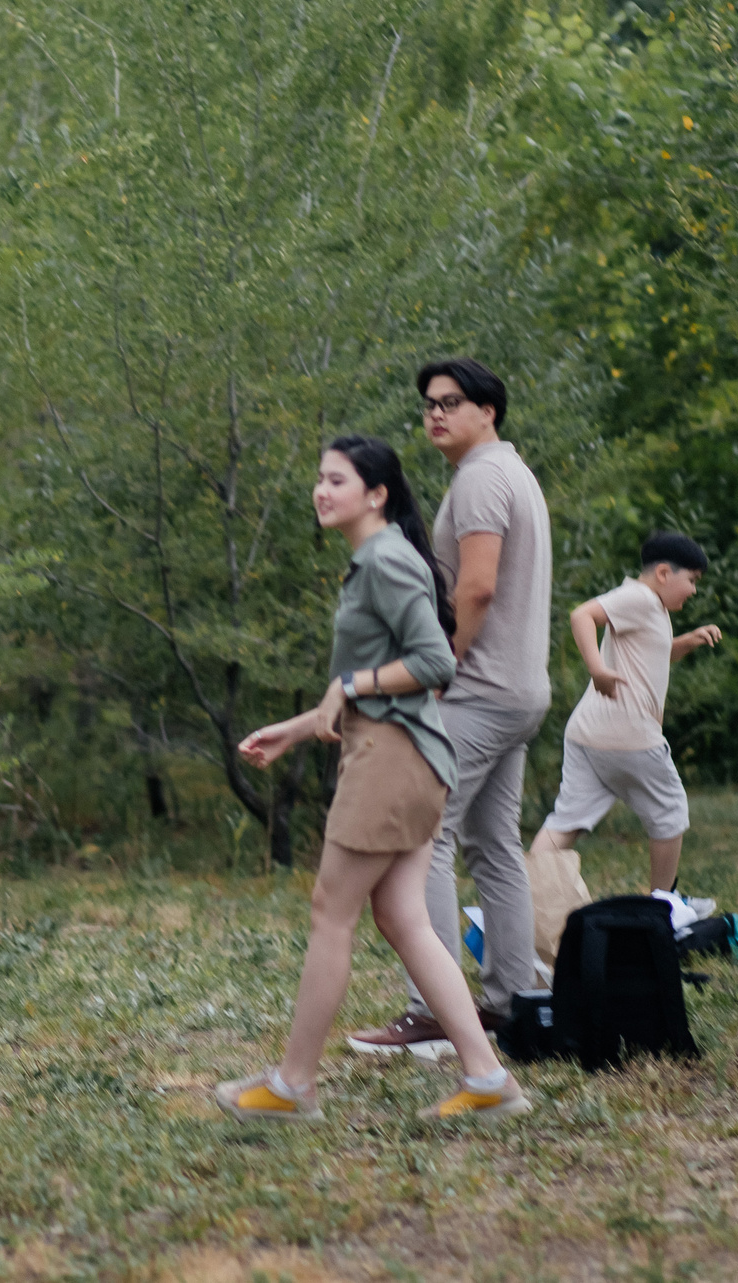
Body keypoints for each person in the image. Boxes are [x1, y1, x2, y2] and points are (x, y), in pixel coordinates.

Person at [217, 435, 531, 1123]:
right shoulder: (376, 559)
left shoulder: (387, 559)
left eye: (336, 479)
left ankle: (294, 1086)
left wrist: (348, 685)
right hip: (405, 750)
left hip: (392, 759)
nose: (321, 490)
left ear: (377, 492)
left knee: (333, 910)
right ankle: (487, 1078)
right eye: (319, 478)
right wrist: (300, 725)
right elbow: (384, 682)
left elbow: (434, 662)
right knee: (403, 917)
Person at [351, 359, 554, 1061]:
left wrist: (444, 668)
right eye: (429, 405)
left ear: (488, 410)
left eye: (452, 402)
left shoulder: (480, 480)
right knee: (494, 842)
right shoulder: (511, 473)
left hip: (479, 687)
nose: (436, 414)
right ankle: (510, 998)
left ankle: (434, 1010)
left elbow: (476, 589)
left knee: (422, 841)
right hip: (521, 688)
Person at [530, 531, 722, 894]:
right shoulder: (641, 598)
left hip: (588, 734)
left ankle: (523, 904)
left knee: (566, 822)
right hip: (629, 735)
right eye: (692, 581)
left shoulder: (653, 608)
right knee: (670, 814)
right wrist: (597, 669)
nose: (694, 590)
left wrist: (689, 640)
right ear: (664, 573)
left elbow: (652, 653)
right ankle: (662, 905)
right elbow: (582, 615)